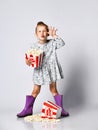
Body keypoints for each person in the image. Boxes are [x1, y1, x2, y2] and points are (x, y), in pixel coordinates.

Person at [17, 21, 69, 118]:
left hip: (51, 69)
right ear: (36, 34)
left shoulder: (52, 43)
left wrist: (55, 36)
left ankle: (61, 109)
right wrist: (27, 61)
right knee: (35, 90)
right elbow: (28, 58)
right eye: (40, 31)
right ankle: (27, 109)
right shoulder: (34, 46)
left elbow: (62, 43)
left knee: (53, 89)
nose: (42, 33)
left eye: (45, 31)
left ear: (48, 33)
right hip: (39, 70)